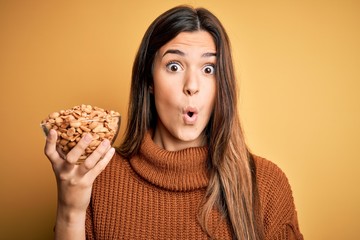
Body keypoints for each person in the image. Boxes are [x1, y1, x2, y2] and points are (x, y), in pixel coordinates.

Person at [44, 5, 303, 240]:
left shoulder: (267, 185)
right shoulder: (95, 178)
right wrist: (70, 210)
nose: (192, 86)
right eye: (174, 66)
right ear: (148, 81)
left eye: (208, 69)